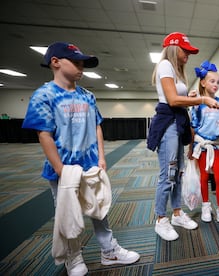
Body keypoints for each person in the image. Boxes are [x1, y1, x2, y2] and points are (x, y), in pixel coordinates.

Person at [22, 42, 140, 276]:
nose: (81, 68)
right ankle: (73, 257)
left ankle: (109, 251)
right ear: (55, 62)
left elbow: (96, 126)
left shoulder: (88, 96)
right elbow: (43, 134)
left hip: (90, 166)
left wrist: (102, 157)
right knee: (68, 214)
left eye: (82, 64)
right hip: (63, 170)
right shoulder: (44, 95)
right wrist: (60, 169)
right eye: (75, 62)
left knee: (99, 209)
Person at [147, 32, 219, 241]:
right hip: (168, 123)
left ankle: (177, 213)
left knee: (177, 172)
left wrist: (188, 98)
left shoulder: (177, 72)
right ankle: (161, 219)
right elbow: (171, 100)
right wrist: (202, 100)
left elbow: (177, 98)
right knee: (168, 173)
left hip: (177, 123)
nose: (188, 54)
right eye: (185, 50)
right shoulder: (164, 66)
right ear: (173, 48)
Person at [188, 61, 219, 227]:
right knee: (204, 177)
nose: (216, 84)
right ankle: (206, 206)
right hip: (202, 147)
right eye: (212, 81)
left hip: (216, 146)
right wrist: (190, 149)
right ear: (203, 82)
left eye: (218, 82)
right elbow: (193, 127)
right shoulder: (198, 104)